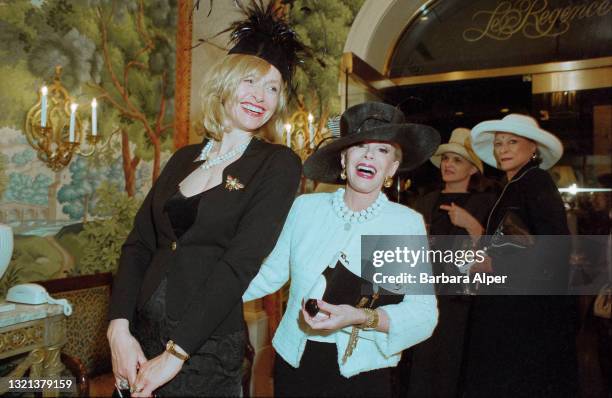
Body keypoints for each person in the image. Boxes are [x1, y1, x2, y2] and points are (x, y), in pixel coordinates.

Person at [106, 3, 305, 396]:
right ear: (225, 82)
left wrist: (176, 355)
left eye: (273, 88)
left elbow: (240, 264)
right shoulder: (182, 158)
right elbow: (139, 245)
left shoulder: (278, 164)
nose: (261, 96)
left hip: (204, 347)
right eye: (251, 81)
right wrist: (118, 330)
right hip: (139, 338)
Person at [243, 102, 441, 397]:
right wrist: (211, 296)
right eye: (360, 145)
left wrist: (361, 317)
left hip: (362, 374)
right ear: (344, 157)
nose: (370, 155)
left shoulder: (403, 224)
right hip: (295, 364)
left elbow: (423, 314)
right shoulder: (306, 208)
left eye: (383, 150)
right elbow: (271, 273)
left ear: (393, 168)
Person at [462, 113, 578, 397]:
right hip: (512, 306)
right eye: (499, 143)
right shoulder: (518, 184)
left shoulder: (535, 181)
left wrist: (495, 261)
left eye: (512, 142)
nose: (502, 149)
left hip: (525, 314)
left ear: (533, 148)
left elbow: (555, 245)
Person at [407, 128, 496, 397]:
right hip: (425, 297)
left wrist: (471, 225)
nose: (448, 164)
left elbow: (494, 258)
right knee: (422, 370)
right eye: (446, 159)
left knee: (454, 369)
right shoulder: (426, 201)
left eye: (457, 160)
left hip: (461, 304)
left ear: (472, 169)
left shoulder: (484, 204)